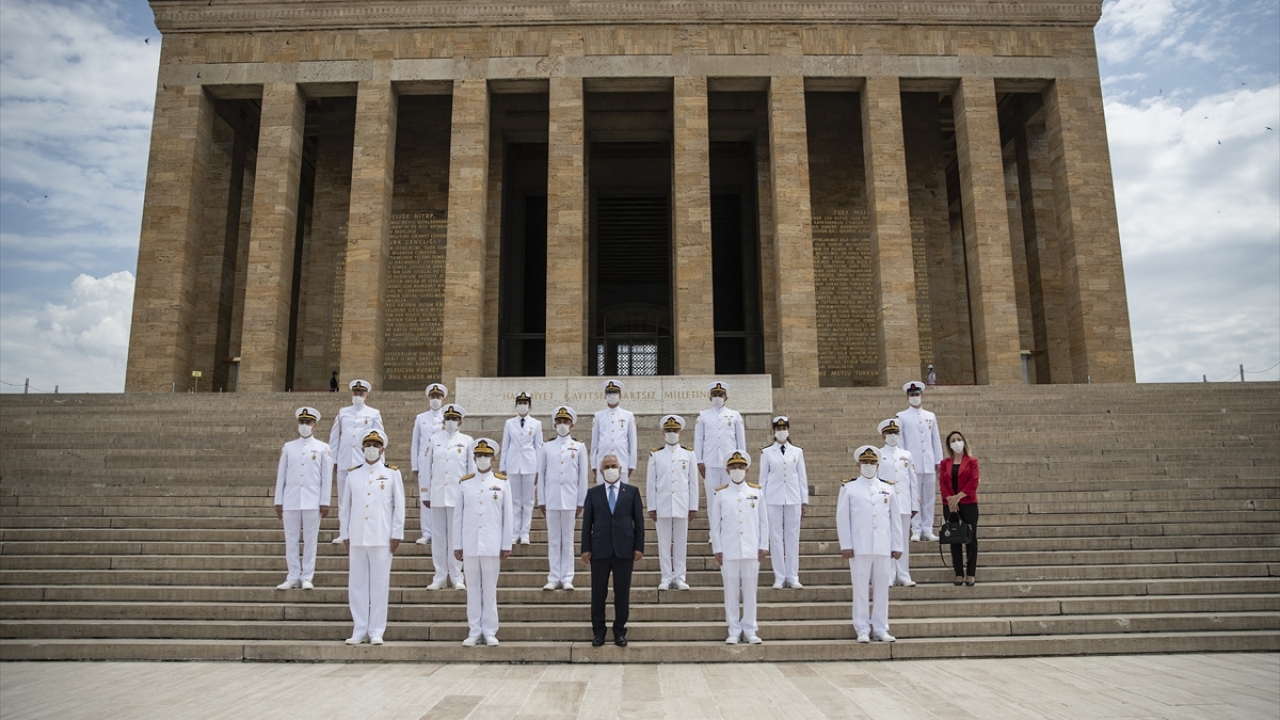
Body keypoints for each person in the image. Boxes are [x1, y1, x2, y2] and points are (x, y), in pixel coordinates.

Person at [339, 428, 405, 645]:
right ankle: (359, 628)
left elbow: (399, 507)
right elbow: (345, 507)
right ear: (362, 448)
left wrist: (397, 532)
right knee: (356, 584)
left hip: (381, 536)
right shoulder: (353, 473)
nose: (371, 449)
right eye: (368, 445)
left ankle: (376, 630)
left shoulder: (392, 473)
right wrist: (345, 533)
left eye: (376, 445)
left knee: (379, 584)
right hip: (357, 536)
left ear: (382, 449)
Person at [836, 446, 903, 643]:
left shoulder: (887, 488)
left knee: (882, 588)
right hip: (859, 546)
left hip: (883, 545)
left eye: (872, 463)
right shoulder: (849, 487)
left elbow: (895, 519)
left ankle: (881, 627)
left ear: (878, 465)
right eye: (864, 463)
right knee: (860, 588)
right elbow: (843, 518)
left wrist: (897, 544)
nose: (868, 466)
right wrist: (845, 544)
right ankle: (862, 627)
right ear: (858, 464)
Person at [453, 438, 514, 646]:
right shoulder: (465, 483)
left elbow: (508, 516)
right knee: (472, 589)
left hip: (491, 543)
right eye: (479, 455)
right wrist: (457, 545)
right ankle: (474, 630)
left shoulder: (502, 482)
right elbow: (458, 517)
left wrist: (506, 544)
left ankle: (489, 630)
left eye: (486, 455)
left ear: (493, 458)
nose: (482, 459)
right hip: (470, 543)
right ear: (473, 458)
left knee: (489, 589)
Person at [581, 453, 645, 647]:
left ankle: (619, 631)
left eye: (613, 466)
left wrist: (639, 547)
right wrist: (585, 548)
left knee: (622, 593)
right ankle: (599, 632)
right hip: (599, 549)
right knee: (598, 593)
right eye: (606, 467)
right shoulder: (593, 493)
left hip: (624, 550)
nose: (610, 469)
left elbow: (639, 522)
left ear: (620, 469)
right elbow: (587, 523)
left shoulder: (632, 492)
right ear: (601, 471)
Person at [710, 450, 767, 644]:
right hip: (729, 549)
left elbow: (764, 522)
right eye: (733, 467)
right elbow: (715, 524)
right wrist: (717, 548)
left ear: (747, 469)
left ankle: (750, 628)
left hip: (751, 549)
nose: (737, 470)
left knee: (750, 591)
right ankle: (733, 629)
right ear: (727, 470)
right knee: (731, 591)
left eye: (740, 467)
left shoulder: (756, 492)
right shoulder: (720, 494)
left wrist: (763, 545)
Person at [274, 406, 333, 590]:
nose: (305, 425)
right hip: (291, 499)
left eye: (308, 422)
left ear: (315, 425)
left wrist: (325, 501)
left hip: (312, 500)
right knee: (291, 539)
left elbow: (326, 477)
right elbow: (281, 476)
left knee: (310, 540)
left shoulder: (323, 448)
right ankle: (292, 575)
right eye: (302, 422)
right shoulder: (289, 447)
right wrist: (278, 501)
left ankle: (307, 576)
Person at [423, 403, 473, 590]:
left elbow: (470, 471)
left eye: (454, 419)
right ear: (443, 421)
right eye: (448, 418)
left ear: (460, 421)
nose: (451, 422)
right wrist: (426, 493)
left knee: (456, 538)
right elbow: (427, 468)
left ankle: (457, 576)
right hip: (437, 494)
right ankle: (439, 576)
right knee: (438, 538)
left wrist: (469, 495)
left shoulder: (467, 441)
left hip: (457, 495)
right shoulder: (434, 439)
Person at [537, 406, 588, 591]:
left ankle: (567, 577)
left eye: (565, 422)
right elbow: (541, 474)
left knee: (567, 540)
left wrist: (581, 501)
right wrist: (541, 500)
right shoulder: (546, 446)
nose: (562, 425)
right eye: (559, 422)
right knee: (553, 539)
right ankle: (553, 577)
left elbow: (582, 476)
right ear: (554, 424)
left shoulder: (579, 446)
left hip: (570, 499)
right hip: (551, 498)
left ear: (572, 424)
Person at [645, 414, 698, 590]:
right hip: (663, 504)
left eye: (674, 430)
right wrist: (652, 506)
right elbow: (651, 482)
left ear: (680, 432)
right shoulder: (656, 454)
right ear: (663, 432)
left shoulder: (689, 454)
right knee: (664, 543)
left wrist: (693, 506)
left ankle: (680, 577)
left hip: (682, 503)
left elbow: (693, 483)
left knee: (681, 543)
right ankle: (666, 577)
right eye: (668, 430)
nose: (671, 433)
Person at [329, 379, 385, 543]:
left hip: (364, 461)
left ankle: (363, 531)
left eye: (361, 393)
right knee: (343, 499)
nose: (358, 395)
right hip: (345, 460)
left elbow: (379, 438)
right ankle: (344, 532)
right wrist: (333, 459)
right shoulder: (343, 412)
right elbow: (335, 437)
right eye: (355, 393)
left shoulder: (374, 413)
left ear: (367, 395)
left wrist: (380, 461)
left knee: (364, 497)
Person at [759, 415, 808, 589]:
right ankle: (779, 576)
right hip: (773, 498)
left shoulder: (797, 451)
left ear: (788, 430)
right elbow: (763, 479)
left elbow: (802, 478)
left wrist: (804, 501)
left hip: (793, 497)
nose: (782, 432)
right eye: (779, 429)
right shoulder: (767, 453)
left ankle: (792, 575)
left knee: (793, 537)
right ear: (774, 432)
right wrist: (761, 502)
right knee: (776, 537)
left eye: (784, 429)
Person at [896, 380, 943, 542]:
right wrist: (904, 461)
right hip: (912, 463)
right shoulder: (901, 416)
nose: (915, 397)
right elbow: (901, 440)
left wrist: (939, 460)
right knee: (914, 498)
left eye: (917, 394)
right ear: (907, 397)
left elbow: (935, 439)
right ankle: (916, 529)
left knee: (929, 498)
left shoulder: (930, 416)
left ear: (922, 395)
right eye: (911, 395)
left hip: (928, 462)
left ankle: (927, 529)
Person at [878, 418, 919, 587]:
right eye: (889, 433)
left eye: (895, 433)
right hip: (885, 503)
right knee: (887, 540)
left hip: (903, 503)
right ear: (883, 436)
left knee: (902, 541)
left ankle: (903, 574)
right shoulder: (879, 455)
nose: (893, 436)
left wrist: (915, 504)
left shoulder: (906, 455)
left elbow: (913, 481)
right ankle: (888, 574)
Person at [694, 380, 746, 508]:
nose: (718, 397)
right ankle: (715, 528)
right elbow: (699, 440)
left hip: (730, 463)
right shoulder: (703, 416)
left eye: (721, 395)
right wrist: (699, 461)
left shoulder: (734, 416)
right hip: (710, 463)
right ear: (710, 397)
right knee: (712, 499)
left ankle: (729, 528)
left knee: (730, 497)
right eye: (715, 394)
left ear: (726, 397)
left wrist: (742, 462)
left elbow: (740, 440)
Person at [501, 391, 542, 545]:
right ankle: (514, 532)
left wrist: (539, 469)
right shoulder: (509, 423)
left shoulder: (536, 424)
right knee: (514, 501)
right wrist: (503, 466)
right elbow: (505, 446)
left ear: (529, 405)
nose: (522, 406)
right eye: (520, 403)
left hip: (530, 465)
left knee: (528, 501)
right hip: (513, 465)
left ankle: (525, 533)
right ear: (516, 405)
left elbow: (539, 447)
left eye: (525, 403)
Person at [939, 430, 980, 587]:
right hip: (949, 504)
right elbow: (942, 482)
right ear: (949, 445)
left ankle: (970, 573)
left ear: (963, 441)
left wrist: (958, 497)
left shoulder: (972, 461)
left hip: (968, 503)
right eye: (953, 440)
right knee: (954, 538)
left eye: (958, 439)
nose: (956, 442)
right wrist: (951, 500)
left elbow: (973, 481)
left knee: (971, 539)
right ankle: (958, 573)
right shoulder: (945, 463)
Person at [410, 382, 449, 545]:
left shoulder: (448, 418)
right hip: (424, 463)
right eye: (432, 397)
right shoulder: (421, 418)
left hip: (441, 464)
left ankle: (441, 531)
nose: (435, 399)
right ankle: (427, 532)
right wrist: (415, 465)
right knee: (425, 497)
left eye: (438, 397)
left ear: (443, 399)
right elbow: (415, 443)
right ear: (428, 398)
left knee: (441, 497)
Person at [591, 380, 637, 485]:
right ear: (605, 395)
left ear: (620, 396)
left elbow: (633, 442)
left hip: (622, 462)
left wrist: (631, 465)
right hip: (603, 462)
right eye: (609, 393)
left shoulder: (628, 416)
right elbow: (594, 443)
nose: (612, 396)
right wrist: (594, 465)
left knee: (622, 496)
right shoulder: (598, 416)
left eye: (615, 393)